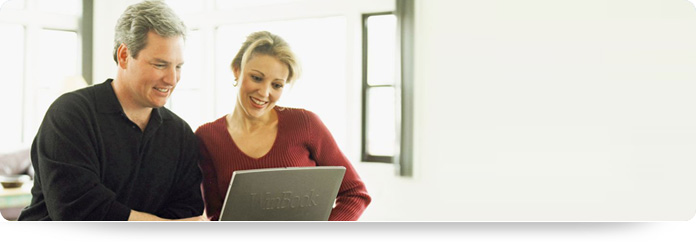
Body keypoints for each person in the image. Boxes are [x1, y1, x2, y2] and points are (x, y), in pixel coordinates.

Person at [18, 0, 204, 221]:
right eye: (160, 64)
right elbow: (78, 214)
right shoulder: (70, 115)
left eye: (178, 66)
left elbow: (187, 212)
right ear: (124, 55)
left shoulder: (180, 133)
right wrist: (165, 227)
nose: (172, 79)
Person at [195, 31, 371, 221]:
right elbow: (217, 215)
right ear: (237, 70)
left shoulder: (305, 123)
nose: (264, 92)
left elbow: (355, 193)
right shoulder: (207, 136)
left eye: (277, 85)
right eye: (256, 78)